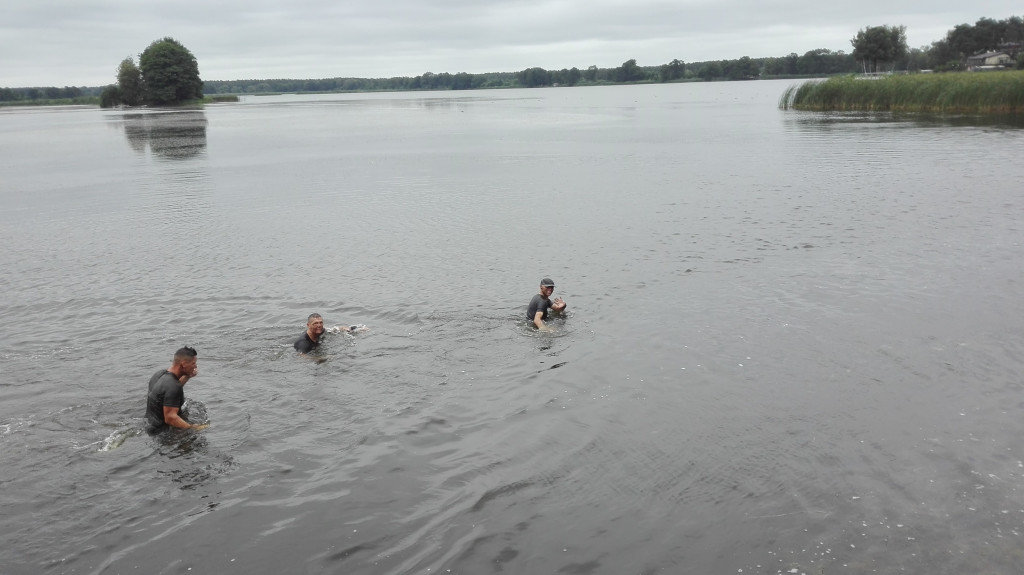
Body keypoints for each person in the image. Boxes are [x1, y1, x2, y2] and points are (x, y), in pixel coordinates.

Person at [145, 346, 207, 434]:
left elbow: (168, 393)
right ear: (184, 364)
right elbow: (170, 418)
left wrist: (187, 375)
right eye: (193, 363)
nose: (195, 366)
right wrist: (194, 428)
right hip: (162, 433)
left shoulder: (159, 375)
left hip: (149, 425)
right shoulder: (173, 386)